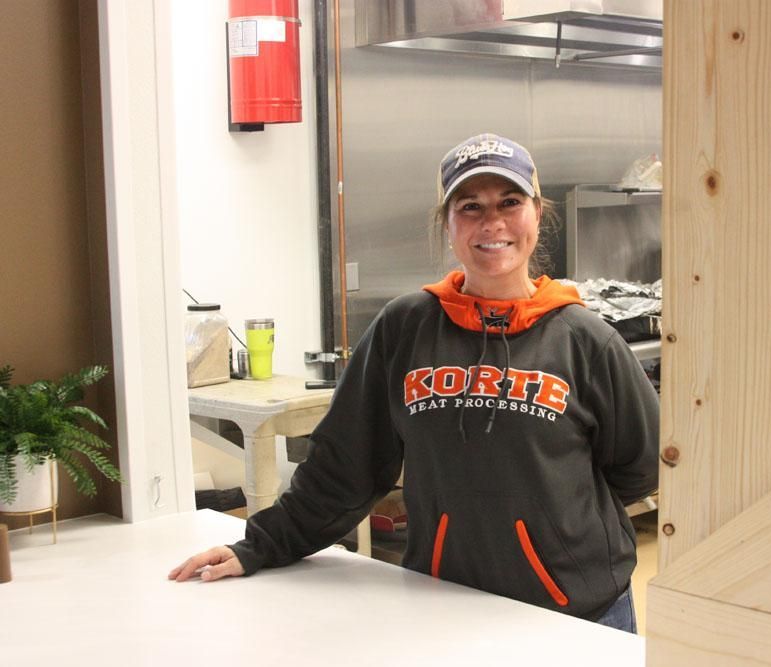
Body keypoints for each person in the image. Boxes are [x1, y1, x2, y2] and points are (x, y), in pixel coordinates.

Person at [170, 132, 659, 633]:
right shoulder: (404, 328)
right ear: (447, 224)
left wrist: (548, 530)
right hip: (443, 603)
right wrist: (259, 546)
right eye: (470, 206)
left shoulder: (586, 339)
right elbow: (345, 467)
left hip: (577, 612)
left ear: (537, 212)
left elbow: (639, 468)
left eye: (510, 202)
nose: (492, 222)